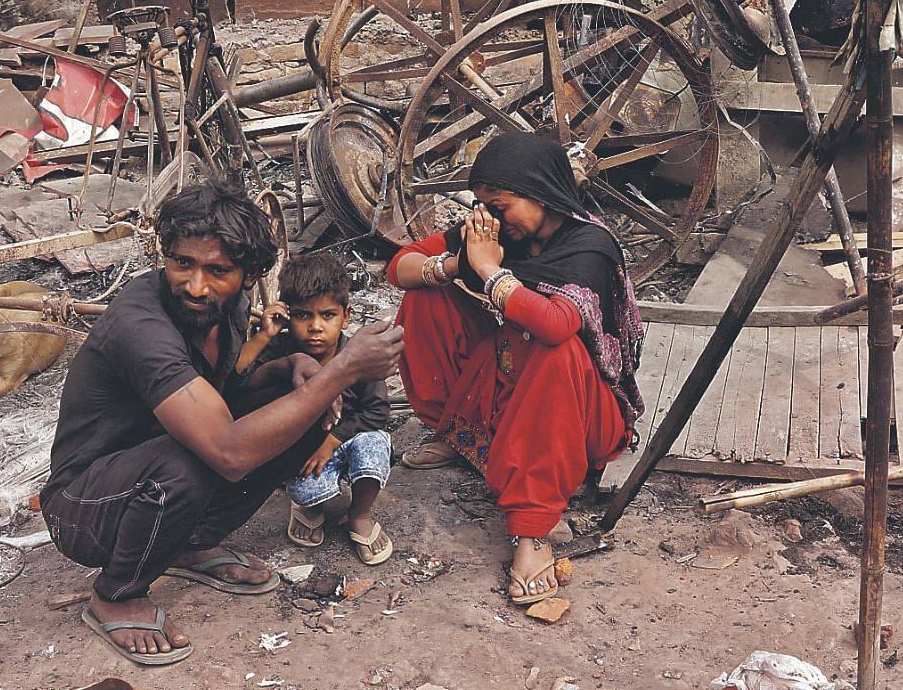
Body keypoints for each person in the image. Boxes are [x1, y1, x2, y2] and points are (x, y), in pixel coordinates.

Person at [42, 180, 404, 665]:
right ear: (163, 255)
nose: (196, 286)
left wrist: (287, 366)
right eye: (182, 263)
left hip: (152, 472)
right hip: (82, 508)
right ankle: (117, 593)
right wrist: (344, 368)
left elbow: (223, 398)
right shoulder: (141, 325)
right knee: (188, 461)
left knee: (305, 399)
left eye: (218, 270)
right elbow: (227, 452)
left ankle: (188, 545)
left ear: (250, 275)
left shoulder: (227, 308)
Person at [385, 133, 643, 606]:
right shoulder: (494, 232)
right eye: (481, 207)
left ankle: (534, 529)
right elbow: (399, 265)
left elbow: (555, 322)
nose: (489, 219)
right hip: (513, 375)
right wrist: (450, 266)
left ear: (541, 194)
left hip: (582, 412)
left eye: (499, 207)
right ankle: (457, 431)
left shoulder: (589, 245)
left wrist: (486, 270)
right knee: (427, 296)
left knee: (554, 347)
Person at [238, 255, 394, 565]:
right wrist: (264, 334)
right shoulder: (280, 350)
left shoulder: (357, 354)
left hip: (345, 439)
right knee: (309, 491)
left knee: (374, 445)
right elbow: (239, 379)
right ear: (287, 315)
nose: (315, 327)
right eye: (302, 315)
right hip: (300, 449)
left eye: (327, 315)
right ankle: (308, 507)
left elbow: (377, 412)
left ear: (346, 317)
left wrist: (333, 440)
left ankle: (359, 515)